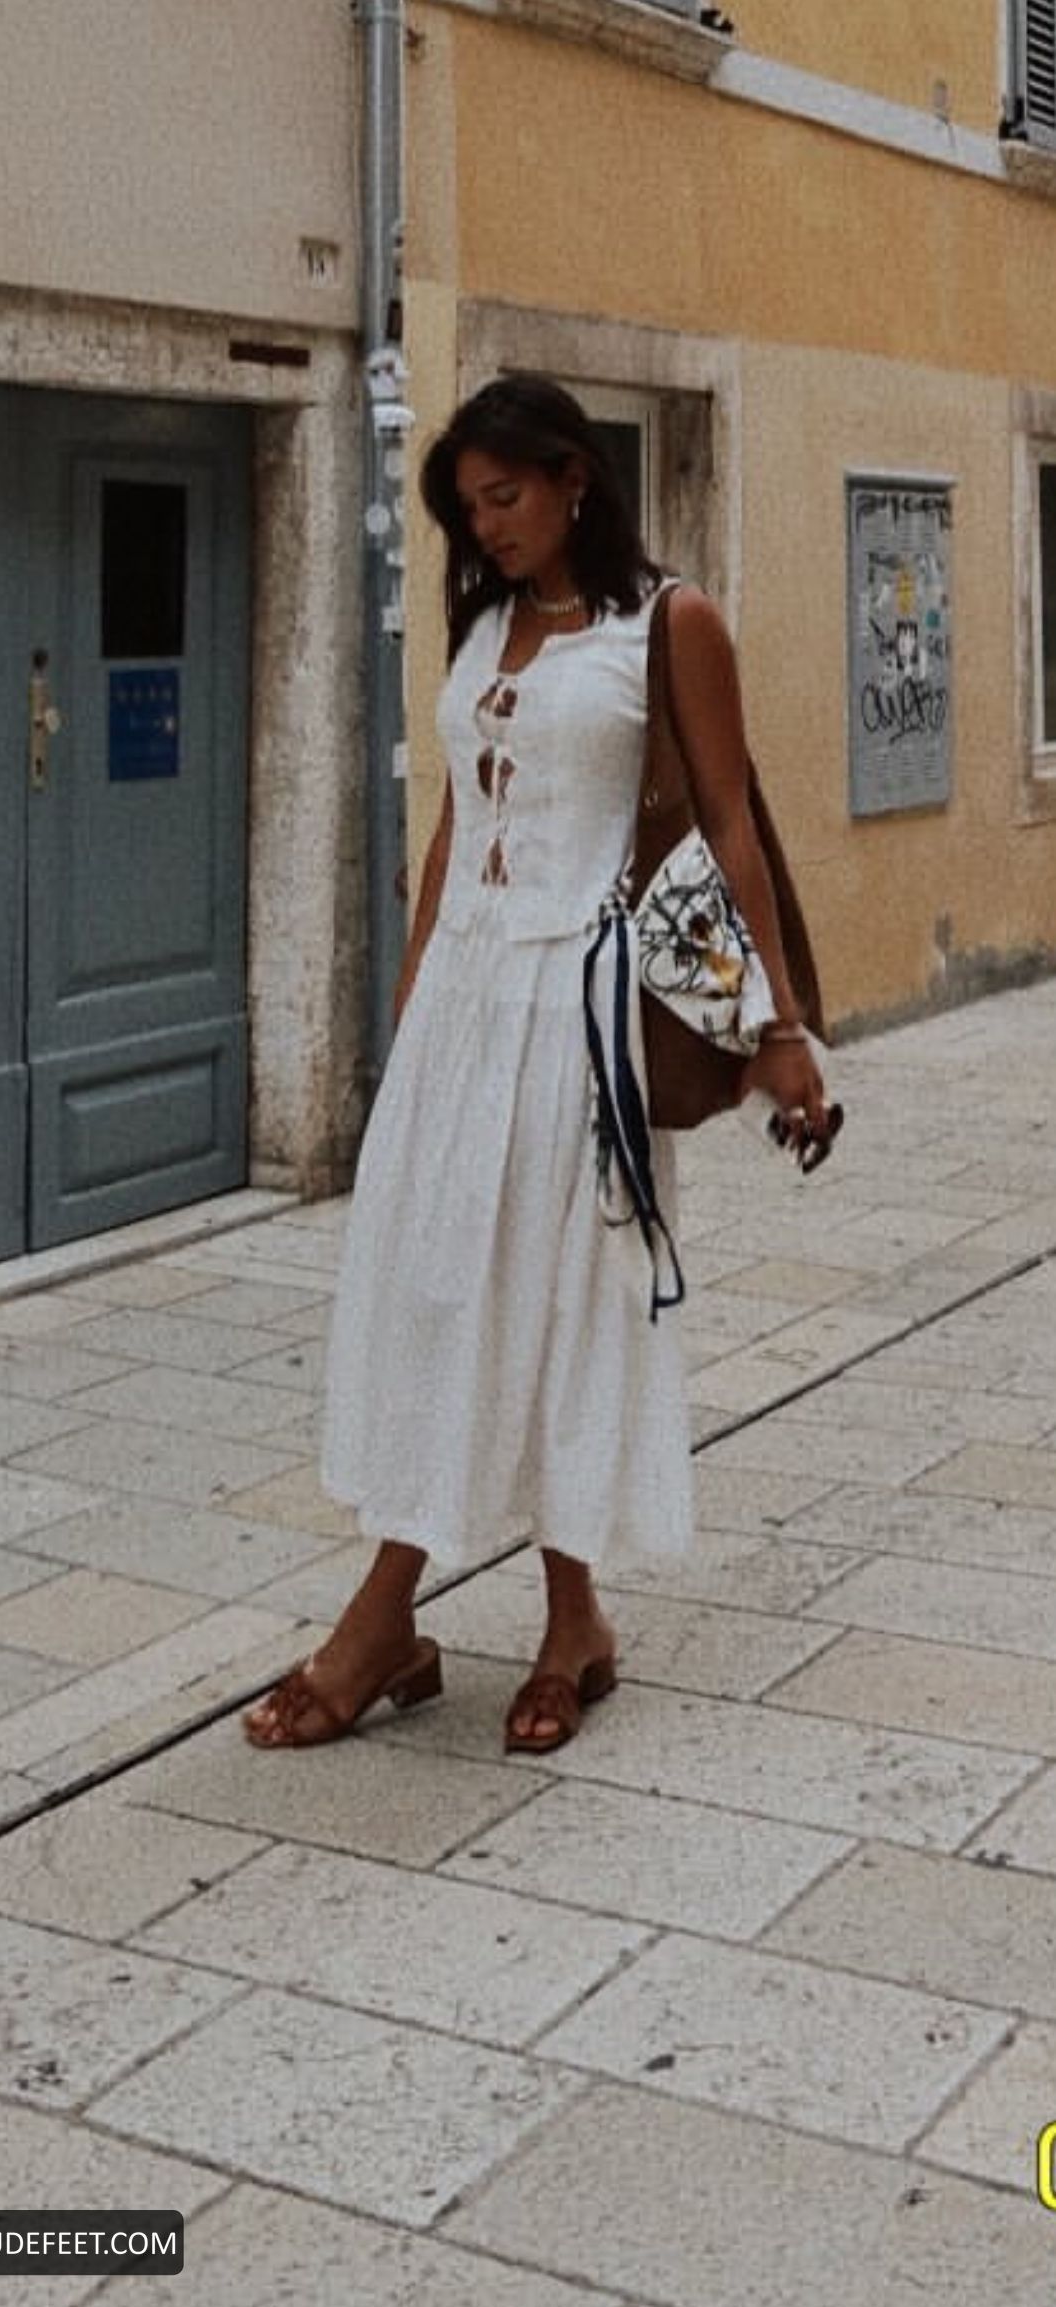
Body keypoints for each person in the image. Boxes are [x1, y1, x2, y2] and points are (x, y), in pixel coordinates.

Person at [243, 371, 828, 1756]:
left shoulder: (668, 623)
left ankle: (411, 1620)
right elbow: (456, 824)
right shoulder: (486, 623)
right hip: (465, 1003)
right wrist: (413, 1009)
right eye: (467, 509)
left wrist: (779, 1029)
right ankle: (543, 1622)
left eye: (503, 497)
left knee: (559, 1300)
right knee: (439, 1290)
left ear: (574, 478)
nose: (486, 527)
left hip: (580, 1007)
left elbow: (730, 829)